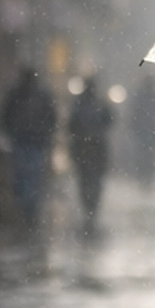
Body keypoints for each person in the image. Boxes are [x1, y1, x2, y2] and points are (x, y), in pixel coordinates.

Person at [0, 65, 57, 231]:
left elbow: (51, 118)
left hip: (33, 144)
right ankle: (28, 210)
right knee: (26, 178)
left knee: (30, 178)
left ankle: (30, 210)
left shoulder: (35, 96)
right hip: (24, 143)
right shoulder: (19, 96)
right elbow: (5, 117)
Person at [66, 74, 114, 232]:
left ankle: (91, 208)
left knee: (91, 181)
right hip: (87, 150)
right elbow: (71, 125)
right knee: (87, 180)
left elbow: (110, 120)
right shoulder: (83, 104)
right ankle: (90, 207)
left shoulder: (95, 104)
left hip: (93, 150)